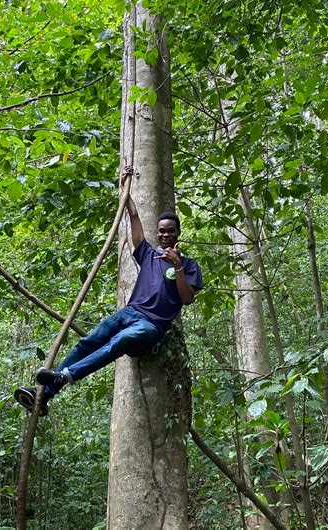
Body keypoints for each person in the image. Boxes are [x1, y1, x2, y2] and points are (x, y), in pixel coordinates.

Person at [14, 166, 203, 416]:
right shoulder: (148, 254)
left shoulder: (188, 265)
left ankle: (66, 376)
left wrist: (177, 266)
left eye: (170, 231)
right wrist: (123, 185)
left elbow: (187, 298)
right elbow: (134, 216)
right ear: (157, 233)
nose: (166, 234)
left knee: (120, 341)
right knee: (88, 341)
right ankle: (45, 395)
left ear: (178, 233)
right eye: (162, 231)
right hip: (130, 312)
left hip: (151, 326)